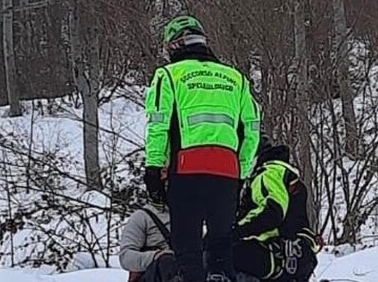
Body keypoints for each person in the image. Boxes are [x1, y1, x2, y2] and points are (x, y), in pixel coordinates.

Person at [144, 15, 261, 282]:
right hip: (227, 172)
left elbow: (159, 124)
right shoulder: (236, 78)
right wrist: (241, 170)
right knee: (221, 245)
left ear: (173, 45)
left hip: (187, 170)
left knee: (188, 247)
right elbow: (252, 128)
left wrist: (153, 168)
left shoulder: (169, 75)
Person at [233, 133, 320, 282]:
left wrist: (235, 231)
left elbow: (273, 211)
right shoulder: (286, 174)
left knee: (215, 254)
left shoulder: (268, 173)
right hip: (296, 258)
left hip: (272, 256)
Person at [119, 173, 180, 282]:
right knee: (167, 262)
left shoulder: (187, 217)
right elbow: (126, 257)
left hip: (183, 270)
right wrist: (156, 256)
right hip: (153, 273)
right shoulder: (142, 217)